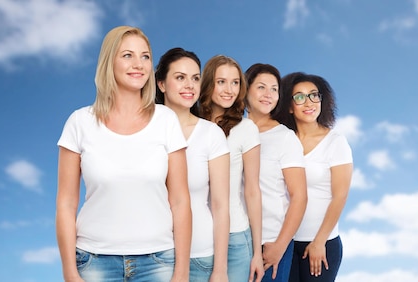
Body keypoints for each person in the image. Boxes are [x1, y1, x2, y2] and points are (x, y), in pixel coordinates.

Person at [56, 26, 192, 282]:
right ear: (110, 62)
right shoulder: (79, 123)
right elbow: (65, 204)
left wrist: (182, 272)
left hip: (158, 262)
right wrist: (69, 273)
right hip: (94, 262)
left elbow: (180, 201)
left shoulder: (166, 120)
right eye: (127, 55)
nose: (138, 64)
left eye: (145, 56)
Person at [155, 48, 230, 282]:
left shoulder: (211, 134)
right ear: (161, 84)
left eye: (195, 78)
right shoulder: (144, 130)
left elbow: (220, 205)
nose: (190, 85)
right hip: (149, 258)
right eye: (180, 77)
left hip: (200, 258)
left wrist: (220, 269)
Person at [274, 72, 353, 282]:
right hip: (285, 244)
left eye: (313, 95)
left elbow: (340, 196)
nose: (308, 102)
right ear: (289, 106)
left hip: (321, 244)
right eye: (299, 97)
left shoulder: (336, 142)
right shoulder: (282, 140)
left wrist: (319, 241)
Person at [194, 55, 264, 282]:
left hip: (235, 237)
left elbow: (252, 190)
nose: (229, 89)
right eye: (221, 81)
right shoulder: (191, 124)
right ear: (208, 84)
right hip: (195, 237)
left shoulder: (246, 128)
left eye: (235, 83)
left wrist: (256, 253)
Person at [244, 63, 308, 282]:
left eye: (274, 89)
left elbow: (299, 196)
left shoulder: (285, 138)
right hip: (236, 241)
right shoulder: (231, 132)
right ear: (246, 89)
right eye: (261, 87)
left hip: (270, 242)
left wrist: (280, 246)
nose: (268, 94)